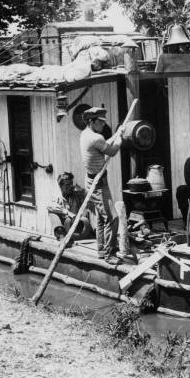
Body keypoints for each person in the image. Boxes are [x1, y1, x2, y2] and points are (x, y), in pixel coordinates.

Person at [79, 107, 125, 264]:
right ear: (91, 121)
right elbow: (111, 151)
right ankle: (109, 254)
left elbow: (104, 143)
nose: (103, 126)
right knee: (112, 218)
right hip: (97, 183)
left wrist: (116, 134)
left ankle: (101, 250)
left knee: (100, 217)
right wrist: (120, 139)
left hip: (92, 180)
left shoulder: (86, 134)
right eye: (100, 122)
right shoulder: (95, 137)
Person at [46, 172, 93, 244]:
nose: (71, 186)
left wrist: (83, 191)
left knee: (92, 206)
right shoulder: (57, 197)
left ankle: (96, 232)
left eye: (71, 183)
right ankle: (62, 237)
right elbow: (49, 206)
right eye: (67, 185)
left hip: (79, 227)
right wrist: (67, 212)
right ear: (60, 186)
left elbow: (91, 199)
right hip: (65, 229)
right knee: (52, 213)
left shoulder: (77, 194)